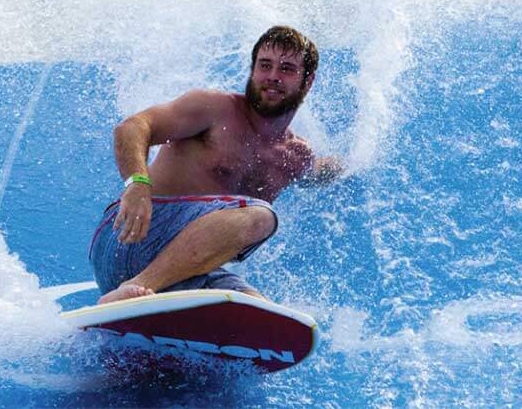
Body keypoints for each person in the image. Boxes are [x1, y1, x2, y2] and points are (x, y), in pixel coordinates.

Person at [89, 25, 343, 304]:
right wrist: (137, 183)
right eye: (265, 65)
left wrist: (355, 163)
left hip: (181, 270)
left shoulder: (295, 156)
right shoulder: (215, 109)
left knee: (263, 320)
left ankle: (132, 311)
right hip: (132, 236)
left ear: (308, 81)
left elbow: (318, 171)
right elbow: (134, 127)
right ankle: (135, 289)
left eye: (287, 69)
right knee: (262, 216)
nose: (272, 76)